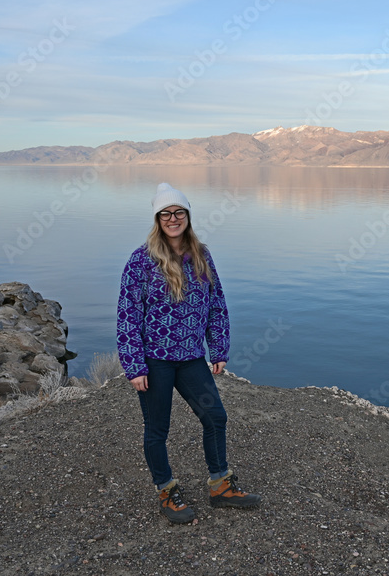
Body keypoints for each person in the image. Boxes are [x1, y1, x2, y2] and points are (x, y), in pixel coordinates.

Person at [117, 182, 261, 524]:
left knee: (215, 417)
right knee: (157, 430)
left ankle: (220, 486)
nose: (172, 218)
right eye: (165, 213)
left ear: (188, 216)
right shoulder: (141, 260)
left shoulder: (201, 255)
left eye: (178, 212)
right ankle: (167, 491)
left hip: (192, 358)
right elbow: (127, 315)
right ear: (157, 218)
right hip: (155, 362)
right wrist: (134, 365)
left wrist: (219, 347)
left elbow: (216, 305)